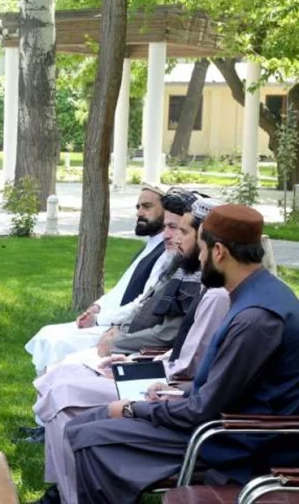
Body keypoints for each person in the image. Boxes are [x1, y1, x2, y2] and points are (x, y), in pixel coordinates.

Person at [60, 204, 299, 504]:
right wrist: (175, 391)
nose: (199, 258)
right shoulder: (260, 293)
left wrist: (134, 409)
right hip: (221, 422)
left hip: (236, 441)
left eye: (202, 249)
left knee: (90, 439)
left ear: (219, 252)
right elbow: (228, 385)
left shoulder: (257, 318)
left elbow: (204, 408)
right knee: (82, 424)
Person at [32, 198, 228, 504]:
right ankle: (66, 491)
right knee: (62, 381)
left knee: (66, 399)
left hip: (171, 391)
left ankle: (67, 494)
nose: (175, 238)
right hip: (163, 375)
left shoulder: (217, 295)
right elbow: (182, 350)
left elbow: (189, 364)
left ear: (214, 247)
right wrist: (134, 359)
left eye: (184, 232)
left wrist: (139, 365)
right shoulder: (199, 279)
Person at [26, 188, 194, 375]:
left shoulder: (175, 262)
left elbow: (151, 317)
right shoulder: (157, 249)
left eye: (147, 207)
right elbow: (127, 293)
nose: (139, 213)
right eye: (138, 207)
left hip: (135, 344)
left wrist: (110, 329)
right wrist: (98, 307)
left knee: (59, 348)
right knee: (48, 336)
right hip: (122, 330)